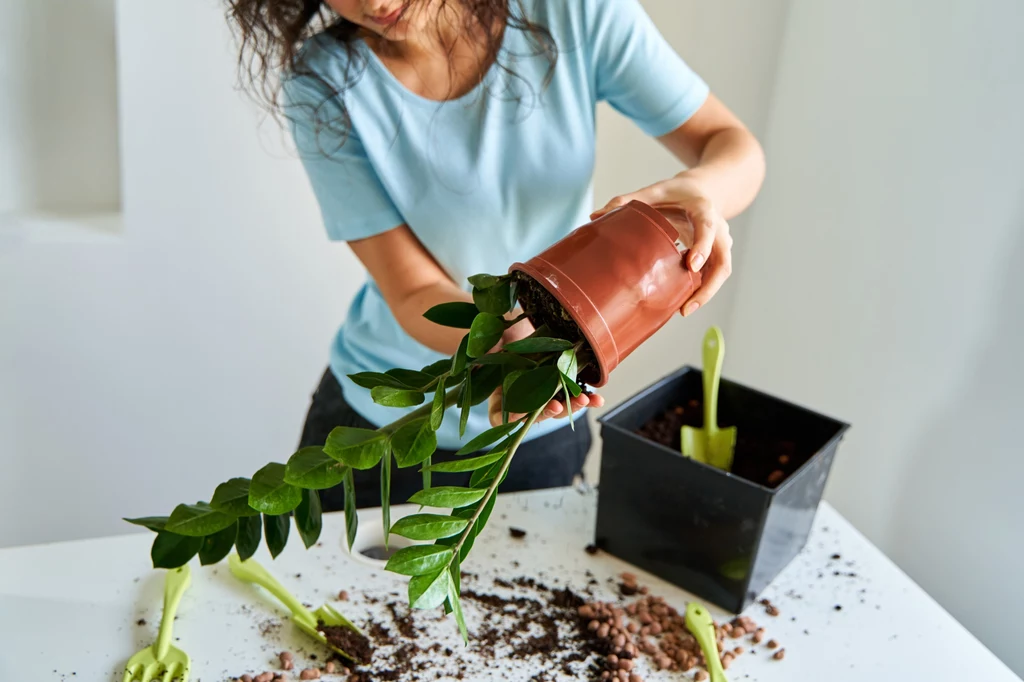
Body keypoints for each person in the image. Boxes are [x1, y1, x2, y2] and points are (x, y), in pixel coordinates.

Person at [226, 0, 765, 511]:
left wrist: (701, 193)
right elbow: (412, 289)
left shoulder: (572, 12)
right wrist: (499, 343)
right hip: (377, 426)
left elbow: (730, 144)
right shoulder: (321, 81)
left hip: (533, 434)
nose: (372, 2)